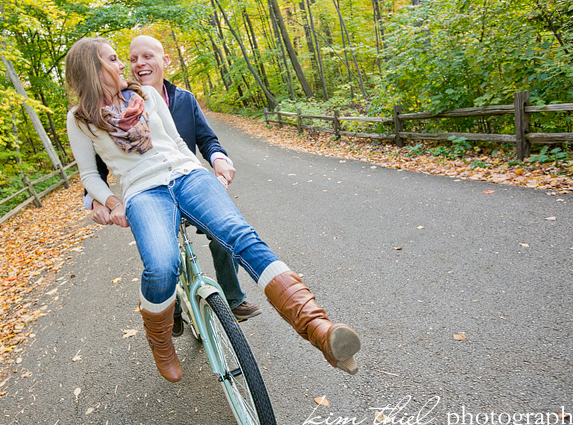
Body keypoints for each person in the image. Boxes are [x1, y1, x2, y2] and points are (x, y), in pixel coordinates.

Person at [65, 36, 361, 383]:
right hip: (143, 192)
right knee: (162, 267)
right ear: (91, 68)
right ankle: (161, 344)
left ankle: (319, 330)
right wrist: (110, 203)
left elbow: (177, 142)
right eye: (113, 59)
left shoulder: (145, 96)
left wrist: (205, 174)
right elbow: (89, 174)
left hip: (187, 175)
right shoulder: (80, 119)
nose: (122, 66)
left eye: (122, 58)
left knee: (240, 237)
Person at [82, 36, 261, 330]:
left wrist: (218, 160)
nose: (140, 64)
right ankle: (171, 311)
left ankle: (232, 298)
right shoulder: (108, 110)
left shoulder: (184, 99)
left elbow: (207, 140)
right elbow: (97, 163)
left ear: (164, 61)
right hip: (148, 192)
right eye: (133, 58)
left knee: (225, 234)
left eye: (147, 56)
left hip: (188, 182)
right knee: (161, 257)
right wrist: (97, 200)